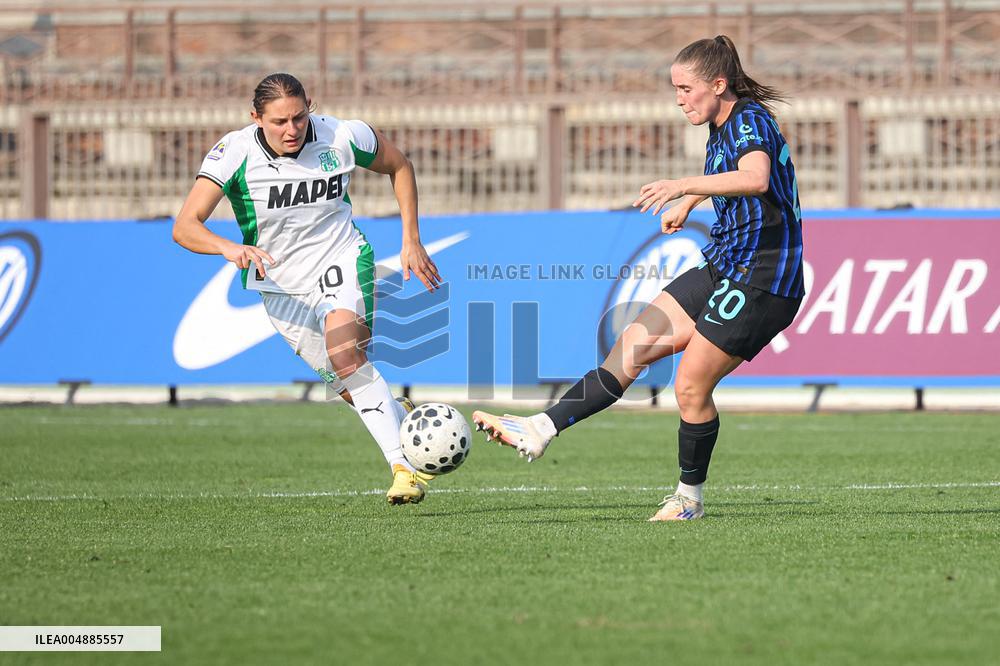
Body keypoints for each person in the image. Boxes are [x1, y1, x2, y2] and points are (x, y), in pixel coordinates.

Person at [473, 35, 804, 522]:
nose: (679, 98)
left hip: (763, 279)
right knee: (632, 345)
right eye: (675, 89)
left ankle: (688, 500)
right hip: (724, 264)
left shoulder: (750, 119)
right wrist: (691, 202)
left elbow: (754, 177)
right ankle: (541, 427)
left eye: (685, 88)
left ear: (718, 84)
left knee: (690, 387)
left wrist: (683, 185)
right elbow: (741, 180)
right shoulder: (721, 125)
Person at [173, 73, 442, 505]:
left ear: (310, 107)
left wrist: (411, 238)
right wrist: (228, 248)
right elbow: (185, 227)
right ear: (255, 117)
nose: (292, 130)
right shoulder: (234, 152)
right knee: (348, 386)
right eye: (279, 121)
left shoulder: (343, 135)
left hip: (341, 260)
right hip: (281, 286)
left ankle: (403, 469)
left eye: (299, 118)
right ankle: (399, 417)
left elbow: (399, 165)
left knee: (346, 356)